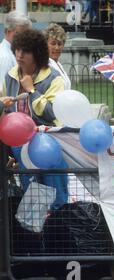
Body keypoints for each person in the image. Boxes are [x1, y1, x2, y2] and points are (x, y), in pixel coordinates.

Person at [0, 28, 68, 211]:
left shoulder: (54, 78)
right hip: (19, 147)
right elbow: (7, 115)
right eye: (17, 50)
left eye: (26, 51)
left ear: (37, 53)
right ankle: (36, 237)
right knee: (32, 198)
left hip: (48, 144)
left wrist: (32, 91)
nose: (19, 55)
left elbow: (52, 113)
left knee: (55, 195)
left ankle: (59, 232)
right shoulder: (10, 76)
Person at [0, 11, 32, 96]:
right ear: (8, 31)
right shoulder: (5, 57)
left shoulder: (11, 53)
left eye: (26, 34)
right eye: (19, 34)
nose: (23, 38)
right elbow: (2, 93)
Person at [43, 23, 71, 90]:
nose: (56, 47)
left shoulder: (58, 64)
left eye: (59, 44)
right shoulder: (44, 65)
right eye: (53, 43)